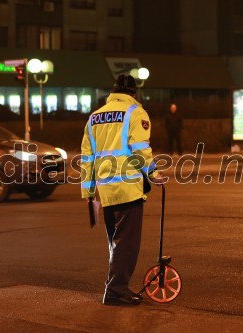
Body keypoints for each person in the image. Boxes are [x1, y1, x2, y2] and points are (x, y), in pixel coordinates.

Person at [80, 74, 165, 306]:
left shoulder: (95, 117)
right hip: (128, 187)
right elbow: (140, 149)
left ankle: (116, 287)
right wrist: (154, 174)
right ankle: (116, 291)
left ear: (113, 91)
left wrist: (88, 192)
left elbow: (87, 158)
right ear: (133, 94)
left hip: (105, 190)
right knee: (126, 244)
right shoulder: (135, 113)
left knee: (115, 244)